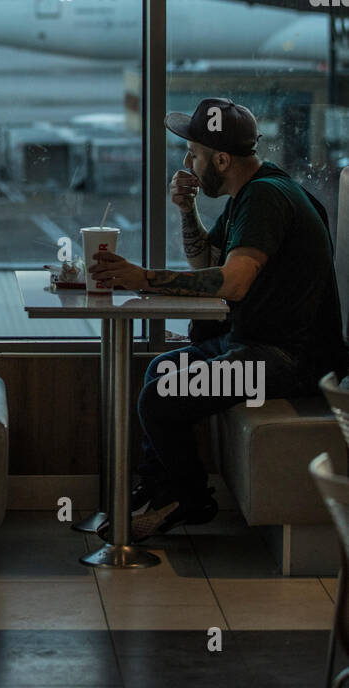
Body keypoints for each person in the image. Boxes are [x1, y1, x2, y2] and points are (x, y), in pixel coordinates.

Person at [89, 97, 348, 541]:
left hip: (286, 361)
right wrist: (187, 210)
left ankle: (189, 501)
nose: (187, 162)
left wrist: (143, 278)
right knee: (163, 368)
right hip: (253, 346)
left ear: (222, 159)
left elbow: (234, 283)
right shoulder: (251, 193)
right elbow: (208, 257)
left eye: (194, 154)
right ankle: (157, 487)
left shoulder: (266, 198)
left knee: (161, 397)